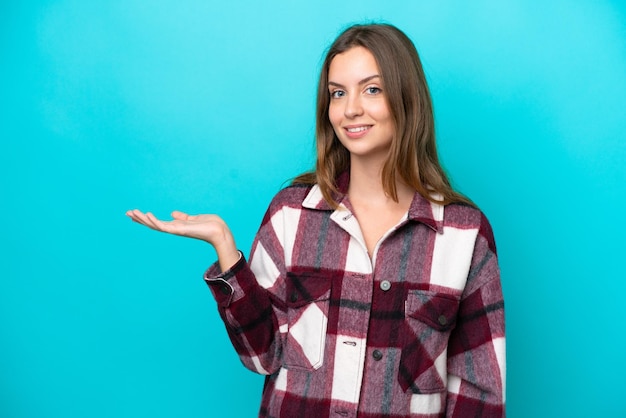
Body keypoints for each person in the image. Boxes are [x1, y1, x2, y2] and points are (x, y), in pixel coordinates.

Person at [127, 23, 505, 417]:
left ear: (406, 98)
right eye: (337, 93)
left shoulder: (465, 233)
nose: (350, 108)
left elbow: (480, 395)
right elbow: (262, 357)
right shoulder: (291, 214)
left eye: (371, 89)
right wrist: (225, 248)